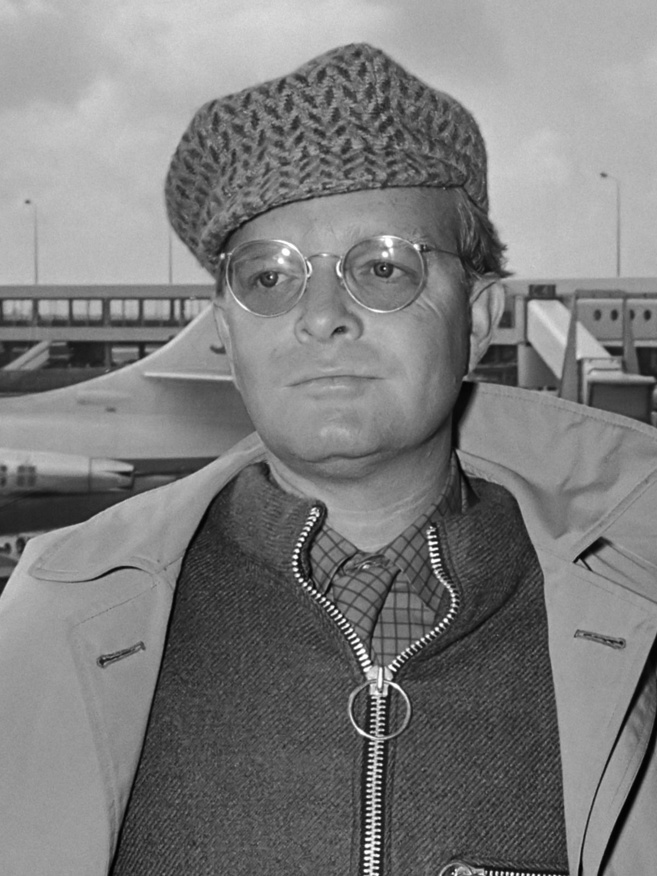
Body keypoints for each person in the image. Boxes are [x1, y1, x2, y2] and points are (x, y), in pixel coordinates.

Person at [1, 43, 656, 876]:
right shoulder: (55, 625)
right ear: (226, 331)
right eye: (268, 279)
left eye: (383, 267)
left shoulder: (638, 620)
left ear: (479, 318)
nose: (320, 315)